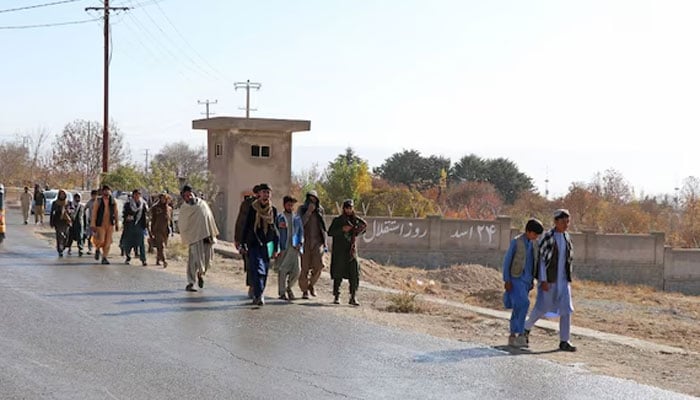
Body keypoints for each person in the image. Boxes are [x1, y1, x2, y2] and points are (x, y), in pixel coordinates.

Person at [524, 209, 577, 352]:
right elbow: (542, 261)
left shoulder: (566, 237)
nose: (566, 224)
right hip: (549, 281)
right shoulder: (548, 237)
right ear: (556, 222)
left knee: (566, 310)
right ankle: (525, 329)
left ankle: (564, 341)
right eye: (563, 221)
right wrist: (543, 280)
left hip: (563, 281)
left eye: (568, 221)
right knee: (541, 308)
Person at [502, 218, 544, 348]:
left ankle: (512, 335)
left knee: (518, 307)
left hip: (526, 280)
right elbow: (507, 261)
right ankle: (520, 334)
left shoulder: (533, 244)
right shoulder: (516, 242)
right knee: (524, 304)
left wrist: (531, 280)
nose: (536, 237)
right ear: (528, 231)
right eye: (535, 234)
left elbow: (533, 263)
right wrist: (506, 280)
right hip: (515, 279)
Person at [241, 183, 279, 306]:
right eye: (264, 192)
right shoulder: (253, 208)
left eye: (268, 193)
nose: (266, 195)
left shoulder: (273, 210)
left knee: (265, 270)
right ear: (259, 194)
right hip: (254, 243)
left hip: (268, 244)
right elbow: (246, 226)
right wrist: (242, 243)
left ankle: (260, 293)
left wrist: (276, 247)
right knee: (257, 269)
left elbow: (275, 230)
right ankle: (258, 295)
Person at [178, 185, 220, 292]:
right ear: (184, 197)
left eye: (190, 194)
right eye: (186, 196)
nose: (189, 197)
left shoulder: (203, 204)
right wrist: (188, 235)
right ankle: (191, 282)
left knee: (207, 261)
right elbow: (183, 224)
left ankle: (200, 274)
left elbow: (209, 218)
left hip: (207, 237)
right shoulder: (185, 208)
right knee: (193, 261)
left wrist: (211, 233)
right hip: (194, 238)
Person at [327, 199, 367, 306]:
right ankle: (337, 296)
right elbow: (330, 232)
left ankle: (353, 296)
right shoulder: (338, 220)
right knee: (338, 274)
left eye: (350, 208)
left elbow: (364, 226)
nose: (349, 210)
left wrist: (356, 228)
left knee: (354, 272)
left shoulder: (355, 220)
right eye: (347, 208)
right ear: (343, 209)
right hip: (339, 251)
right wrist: (342, 230)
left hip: (351, 251)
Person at [297, 190, 328, 299]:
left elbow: (323, 228)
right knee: (304, 268)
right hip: (305, 242)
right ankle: (304, 290)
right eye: (310, 198)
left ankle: (311, 285)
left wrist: (325, 243)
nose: (312, 200)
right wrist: (308, 212)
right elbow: (299, 224)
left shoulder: (320, 210)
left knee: (320, 265)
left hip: (317, 242)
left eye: (314, 198)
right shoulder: (302, 209)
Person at [234, 184, 261, 298]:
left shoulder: (268, 206)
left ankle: (258, 288)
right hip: (249, 239)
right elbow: (241, 222)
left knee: (260, 265)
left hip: (262, 240)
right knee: (250, 264)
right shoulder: (247, 204)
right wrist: (238, 239)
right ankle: (252, 287)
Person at [275, 196, 303, 301]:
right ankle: (282, 292)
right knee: (282, 270)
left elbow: (301, 232)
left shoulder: (297, 218)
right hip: (283, 247)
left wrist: (300, 243)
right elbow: (274, 231)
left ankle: (289, 288)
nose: (290, 207)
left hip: (294, 248)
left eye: (292, 205)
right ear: (284, 205)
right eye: (288, 205)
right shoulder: (279, 217)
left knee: (297, 271)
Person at [91, 185, 119, 265]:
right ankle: (97, 249)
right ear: (102, 191)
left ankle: (104, 257)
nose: (107, 192)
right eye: (105, 190)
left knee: (108, 242)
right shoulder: (98, 201)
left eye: (108, 190)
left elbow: (116, 213)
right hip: (100, 224)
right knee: (101, 240)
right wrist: (93, 224)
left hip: (110, 224)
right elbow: (94, 213)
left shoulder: (113, 201)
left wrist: (116, 224)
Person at [122, 189, 149, 266]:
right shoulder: (128, 204)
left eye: (139, 194)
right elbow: (124, 213)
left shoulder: (143, 204)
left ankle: (143, 259)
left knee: (141, 243)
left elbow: (146, 214)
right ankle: (128, 256)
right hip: (130, 225)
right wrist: (127, 217)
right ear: (133, 195)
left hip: (139, 225)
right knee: (128, 242)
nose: (137, 196)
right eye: (136, 194)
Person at [149, 192, 173, 268]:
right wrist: (152, 230)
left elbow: (170, 220)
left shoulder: (169, 209)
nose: (163, 200)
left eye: (165, 199)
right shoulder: (155, 208)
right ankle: (164, 260)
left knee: (162, 245)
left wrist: (172, 230)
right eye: (162, 198)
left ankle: (158, 259)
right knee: (161, 245)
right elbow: (153, 219)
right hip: (157, 229)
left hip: (166, 230)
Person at [49, 189, 72, 257]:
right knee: (59, 236)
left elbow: (72, 210)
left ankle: (64, 246)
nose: (62, 195)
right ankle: (60, 250)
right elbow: (52, 213)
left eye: (63, 194)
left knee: (66, 236)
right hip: (58, 221)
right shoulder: (55, 203)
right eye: (61, 194)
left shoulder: (68, 203)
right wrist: (51, 222)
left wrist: (68, 211)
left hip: (66, 222)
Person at [65, 193, 87, 257]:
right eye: (76, 197)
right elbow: (68, 213)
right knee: (70, 237)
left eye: (78, 197)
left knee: (80, 237)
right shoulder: (70, 205)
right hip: (72, 224)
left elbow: (84, 216)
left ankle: (80, 249)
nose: (77, 199)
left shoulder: (82, 206)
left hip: (80, 224)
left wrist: (85, 226)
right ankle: (69, 248)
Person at [84, 190, 98, 255]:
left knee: (98, 236)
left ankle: (98, 249)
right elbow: (84, 208)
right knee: (90, 235)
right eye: (92, 195)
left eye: (95, 195)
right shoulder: (89, 202)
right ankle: (90, 249)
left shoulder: (99, 202)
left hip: (98, 222)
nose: (94, 196)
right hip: (91, 221)